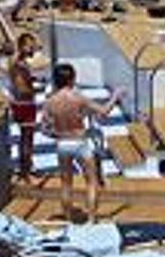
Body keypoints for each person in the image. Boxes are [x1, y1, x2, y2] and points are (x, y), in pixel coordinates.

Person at [41, 63, 123, 222]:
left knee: (66, 184)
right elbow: (104, 111)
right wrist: (115, 96)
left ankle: (68, 219)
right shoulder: (78, 97)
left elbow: (44, 128)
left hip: (63, 144)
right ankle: (91, 219)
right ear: (72, 79)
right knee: (91, 182)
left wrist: (57, 134)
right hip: (80, 142)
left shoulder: (50, 102)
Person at [9, 33, 40, 180]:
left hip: (21, 104)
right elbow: (21, 89)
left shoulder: (19, 63)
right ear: (21, 46)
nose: (33, 49)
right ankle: (26, 171)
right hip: (25, 105)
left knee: (25, 138)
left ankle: (26, 168)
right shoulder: (19, 65)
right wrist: (36, 89)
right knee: (27, 139)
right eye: (30, 46)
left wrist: (31, 80)